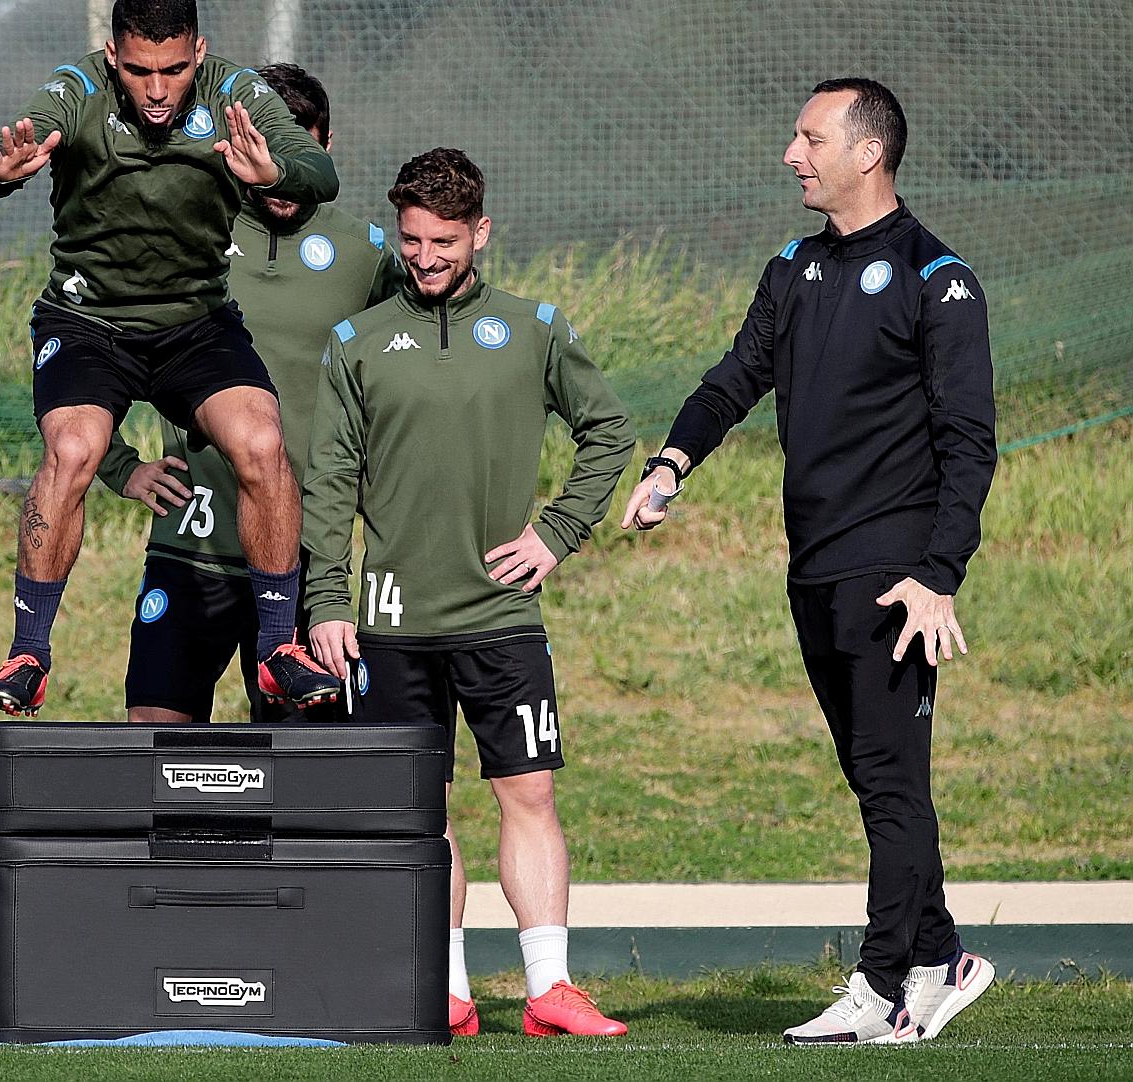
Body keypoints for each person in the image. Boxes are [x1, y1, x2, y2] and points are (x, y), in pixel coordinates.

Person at [621, 78, 998, 1045]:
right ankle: (942, 955)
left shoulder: (936, 278)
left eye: (810, 136)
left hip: (896, 575)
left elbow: (969, 443)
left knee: (888, 780)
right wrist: (671, 461)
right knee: (878, 775)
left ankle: (880, 988)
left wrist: (939, 572)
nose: (793, 152)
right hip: (815, 565)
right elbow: (733, 379)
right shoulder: (793, 269)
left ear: (866, 152)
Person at [304, 148, 635, 1038]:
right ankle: (443, 992)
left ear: (481, 232)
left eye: (444, 241)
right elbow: (330, 481)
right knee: (421, 808)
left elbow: (608, 432)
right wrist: (328, 601)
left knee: (528, 794)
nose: (425, 257)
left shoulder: (534, 329)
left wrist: (557, 533)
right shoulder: (356, 342)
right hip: (391, 622)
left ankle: (547, 990)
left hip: (502, 617)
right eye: (411, 240)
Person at [0, 0, 343, 716]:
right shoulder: (77, 89)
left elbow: (320, 172)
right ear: (114, 57)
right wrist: (0, 173)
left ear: (196, 53)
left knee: (263, 443)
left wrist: (278, 170)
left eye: (173, 69)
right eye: (140, 71)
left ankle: (277, 648)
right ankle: (27, 654)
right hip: (89, 323)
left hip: (195, 324)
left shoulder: (233, 91)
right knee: (74, 450)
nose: (157, 89)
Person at [97, 62, 401, 724]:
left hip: (305, 555)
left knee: (306, 777)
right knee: (155, 743)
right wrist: (119, 465)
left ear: (326, 146)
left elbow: (422, 366)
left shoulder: (369, 254)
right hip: (192, 545)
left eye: (302, 149)